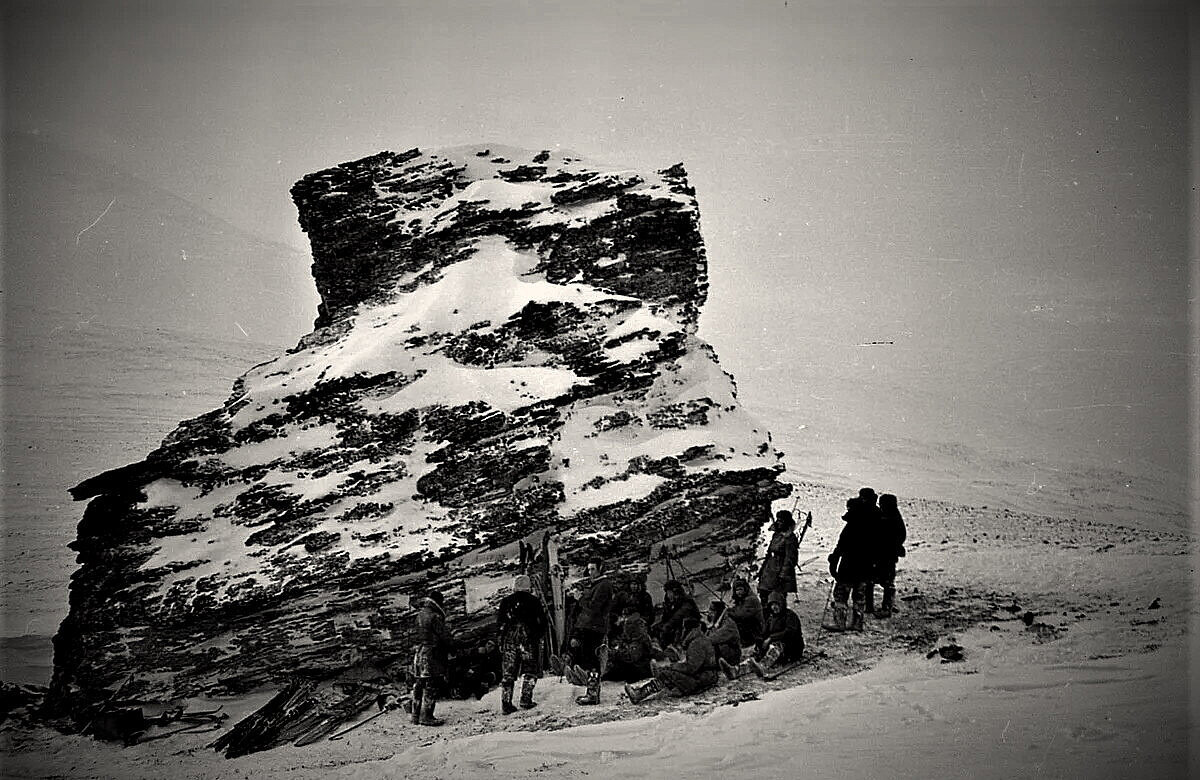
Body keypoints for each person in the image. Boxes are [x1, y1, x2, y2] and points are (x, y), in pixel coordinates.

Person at [624, 616, 719, 704]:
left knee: (667, 673)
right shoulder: (700, 640)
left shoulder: (696, 644)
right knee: (669, 671)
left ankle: (640, 694)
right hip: (706, 678)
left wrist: (673, 666)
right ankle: (672, 685)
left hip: (700, 681)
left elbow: (691, 668)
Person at [826, 490, 877, 632]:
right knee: (859, 595)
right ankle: (857, 623)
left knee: (841, 595)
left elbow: (841, 545)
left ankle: (840, 623)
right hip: (865, 566)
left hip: (848, 565)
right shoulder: (872, 523)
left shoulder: (851, 525)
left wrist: (833, 560)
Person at [496, 575, 547, 714]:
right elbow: (542, 622)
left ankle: (506, 704)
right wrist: (538, 636)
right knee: (530, 670)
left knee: (508, 673)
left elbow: (500, 623)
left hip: (509, 640)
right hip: (528, 640)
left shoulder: (506, 601)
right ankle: (526, 699)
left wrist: (500, 640)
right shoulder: (534, 601)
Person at [571, 558, 614, 705]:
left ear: (600, 569)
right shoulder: (596, 585)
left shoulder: (603, 585)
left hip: (595, 627)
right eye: (589, 569)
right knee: (588, 659)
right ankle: (591, 691)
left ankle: (593, 693)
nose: (590, 572)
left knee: (593, 660)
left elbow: (594, 607)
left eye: (593, 569)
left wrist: (580, 598)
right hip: (589, 626)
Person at [411, 590, 451, 726]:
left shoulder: (419, 615)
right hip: (432, 654)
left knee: (418, 684)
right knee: (431, 684)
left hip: (419, 652)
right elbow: (444, 637)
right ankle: (427, 716)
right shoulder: (435, 616)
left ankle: (415, 715)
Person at [873, 493, 908, 618]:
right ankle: (883, 606)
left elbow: (900, 536)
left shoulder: (891, 518)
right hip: (883, 555)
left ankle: (887, 608)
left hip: (886, 555)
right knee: (883, 581)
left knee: (887, 582)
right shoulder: (892, 517)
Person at [757, 510, 799, 608]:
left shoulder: (790, 538)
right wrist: (762, 570)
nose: (779, 523)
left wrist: (783, 575)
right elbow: (769, 553)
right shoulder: (776, 535)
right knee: (764, 595)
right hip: (769, 569)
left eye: (781, 521)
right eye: (778, 520)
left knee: (777, 599)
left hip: (779, 572)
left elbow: (790, 558)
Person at [604, 605, 653, 682]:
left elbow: (631, 656)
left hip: (638, 669)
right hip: (634, 666)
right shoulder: (633, 631)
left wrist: (615, 653)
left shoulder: (639, 636)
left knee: (615, 671)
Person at [652, 580, 700, 650]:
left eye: (669, 592)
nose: (667, 595)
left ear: (675, 592)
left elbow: (678, 616)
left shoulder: (686, 601)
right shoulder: (670, 601)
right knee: (656, 629)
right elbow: (666, 617)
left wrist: (667, 626)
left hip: (687, 626)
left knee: (669, 631)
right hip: (675, 624)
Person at [728, 577, 764, 647]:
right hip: (752, 626)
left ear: (745, 589)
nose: (738, 592)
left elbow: (741, 614)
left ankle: (746, 641)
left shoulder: (750, 599)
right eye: (737, 590)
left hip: (756, 629)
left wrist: (729, 611)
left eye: (740, 589)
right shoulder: (743, 598)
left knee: (735, 622)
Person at [705, 601, 742, 666]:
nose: (709, 612)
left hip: (732, 658)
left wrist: (711, 628)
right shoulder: (717, 623)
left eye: (712, 610)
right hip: (722, 655)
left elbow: (712, 639)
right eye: (709, 609)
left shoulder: (728, 625)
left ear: (718, 612)